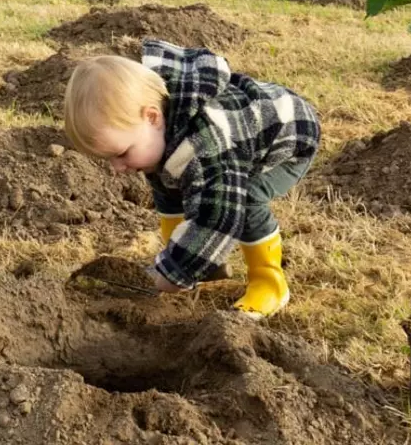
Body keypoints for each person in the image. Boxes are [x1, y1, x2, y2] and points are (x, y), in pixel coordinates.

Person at [63, 39, 320, 319]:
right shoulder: (160, 134)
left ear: (152, 117)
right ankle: (203, 265)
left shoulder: (205, 145)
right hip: (234, 141)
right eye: (108, 158)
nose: (116, 167)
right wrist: (177, 262)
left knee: (244, 199)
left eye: (122, 153)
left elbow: (217, 219)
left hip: (288, 140)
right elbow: (173, 195)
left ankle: (269, 283)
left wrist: (173, 275)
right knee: (167, 181)